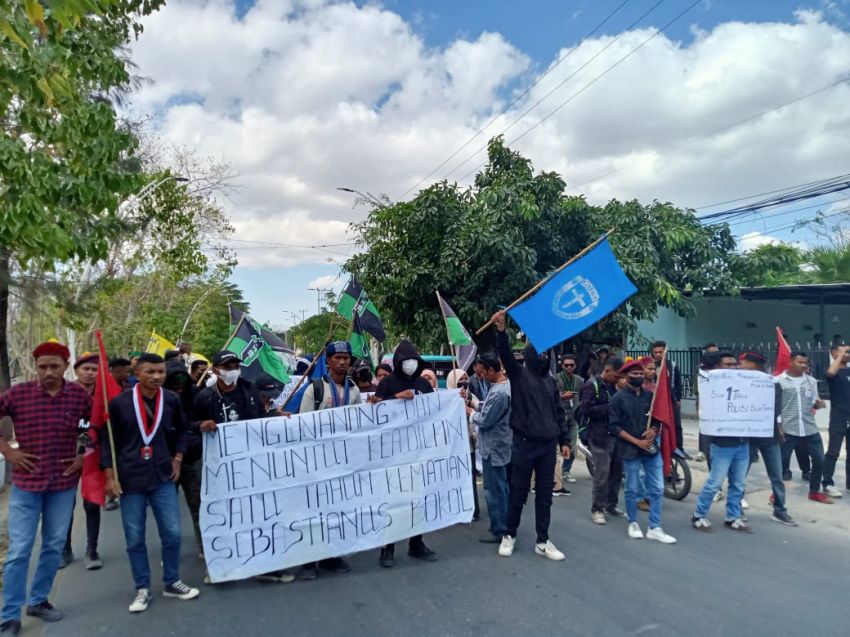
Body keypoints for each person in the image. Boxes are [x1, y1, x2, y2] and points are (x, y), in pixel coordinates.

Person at [0, 341, 90, 635]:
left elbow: (96, 428)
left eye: (54, 366)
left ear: (66, 366)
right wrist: (8, 452)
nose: (48, 372)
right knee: (19, 551)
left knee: (53, 546)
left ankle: (38, 600)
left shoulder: (78, 395)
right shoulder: (18, 394)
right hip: (27, 485)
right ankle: (9, 615)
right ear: (35, 367)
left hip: (63, 484)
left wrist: (83, 455)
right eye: (42, 367)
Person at [103, 353, 199, 613]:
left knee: (172, 533)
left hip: (162, 476)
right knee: (134, 537)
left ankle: (171, 581)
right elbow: (107, 441)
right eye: (150, 372)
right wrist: (110, 477)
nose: (156, 377)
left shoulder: (171, 400)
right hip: (130, 478)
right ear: (138, 372)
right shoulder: (120, 403)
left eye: (160, 372)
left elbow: (182, 430)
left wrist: (178, 458)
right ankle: (142, 587)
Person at [492, 311, 569, 561]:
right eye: (539, 353)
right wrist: (501, 331)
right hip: (524, 445)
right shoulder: (518, 375)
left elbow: (559, 412)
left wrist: (565, 441)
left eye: (546, 353)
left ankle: (543, 540)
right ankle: (509, 534)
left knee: (545, 496)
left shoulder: (550, 382)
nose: (543, 356)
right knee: (518, 492)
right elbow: (504, 354)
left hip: (547, 447)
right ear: (528, 356)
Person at [296, 341, 361, 580]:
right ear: (329, 361)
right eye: (338, 358)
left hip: (341, 461)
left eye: (347, 358)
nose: (343, 362)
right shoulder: (315, 389)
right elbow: (303, 424)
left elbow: (359, 424)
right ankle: (307, 560)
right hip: (316, 460)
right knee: (312, 510)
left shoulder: (353, 391)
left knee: (335, 510)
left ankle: (330, 555)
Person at [374, 340, 439, 567]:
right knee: (393, 501)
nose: (410, 365)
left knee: (419, 499)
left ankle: (416, 542)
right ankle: (388, 547)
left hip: (419, 453)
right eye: (405, 361)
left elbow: (435, 411)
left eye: (413, 361)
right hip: (394, 454)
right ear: (398, 362)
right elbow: (377, 413)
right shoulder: (387, 383)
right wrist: (395, 398)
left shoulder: (424, 384)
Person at [608, 360, 676, 544]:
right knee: (632, 488)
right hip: (630, 450)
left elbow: (657, 419)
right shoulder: (618, 399)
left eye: (640, 373)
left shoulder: (650, 397)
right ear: (626, 376)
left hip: (651, 450)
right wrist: (637, 441)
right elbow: (614, 427)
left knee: (658, 488)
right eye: (634, 374)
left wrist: (653, 430)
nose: (638, 376)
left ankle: (655, 526)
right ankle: (633, 522)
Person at [691, 351, 753, 532]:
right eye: (729, 364)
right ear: (717, 367)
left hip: (743, 443)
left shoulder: (746, 386)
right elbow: (702, 412)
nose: (734, 367)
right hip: (722, 445)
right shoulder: (710, 388)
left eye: (735, 364)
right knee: (714, 483)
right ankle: (698, 515)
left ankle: (732, 516)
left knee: (738, 484)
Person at [738, 352, 797, 526]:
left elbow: (776, 409)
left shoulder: (772, 383)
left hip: (769, 435)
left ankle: (780, 510)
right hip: (747, 434)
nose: (741, 366)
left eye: (744, 363)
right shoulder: (740, 383)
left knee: (776, 475)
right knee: (740, 474)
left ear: (754, 365)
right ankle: (736, 508)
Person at [62, 352, 105, 571]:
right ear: (76, 370)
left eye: (94, 370)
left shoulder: (103, 396)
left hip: (92, 455)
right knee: (65, 505)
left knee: (92, 503)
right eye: (85, 369)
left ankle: (92, 549)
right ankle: (65, 549)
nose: (89, 373)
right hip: (66, 457)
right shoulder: (65, 393)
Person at [776, 351, 832, 504]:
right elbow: (775, 406)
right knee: (780, 463)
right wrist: (778, 426)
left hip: (810, 429)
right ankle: (776, 494)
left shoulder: (811, 381)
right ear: (790, 361)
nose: (803, 365)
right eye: (800, 362)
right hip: (788, 429)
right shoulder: (778, 381)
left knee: (820, 461)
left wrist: (819, 404)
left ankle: (814, 492)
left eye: (805, 363)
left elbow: (815, 401)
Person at [469, 353, 512, 544]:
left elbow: (486, 419)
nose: (482, 376)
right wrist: (473, 402)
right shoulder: (502, 387)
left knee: (494, 490)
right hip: (498, 445)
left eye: (483, 372)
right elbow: (487, 407)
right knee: (500, 487)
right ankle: (504, 525)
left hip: (494, 448)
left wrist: (470, 413)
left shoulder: (500, 392)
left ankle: (500, 529)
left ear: (492, 370)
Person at [163, 362, 203, 556]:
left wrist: (197, 425)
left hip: (192, 458)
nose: (178, 389)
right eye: (173, 385)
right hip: (164, 462)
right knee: (167, 512)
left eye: (181, 384)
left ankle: (205, 548)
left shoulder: (196, 395)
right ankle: (170, 551)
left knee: (199, 507)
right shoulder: (159, 400)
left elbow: (199, 420)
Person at [579, 357, 624, 525]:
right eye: (616, 375)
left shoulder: (615, 387)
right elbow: (586, 409)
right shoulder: (592, 385)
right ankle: (597, 508)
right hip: (598, 436)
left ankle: (611, 504)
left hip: (615, 435)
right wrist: (609, 406)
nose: (618, 379)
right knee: (602, 474)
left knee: (617, 472)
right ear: (608, 370)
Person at [448, 369, 480, 522]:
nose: (464, 384)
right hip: (452, 447)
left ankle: (473, 509)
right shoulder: (445, 398)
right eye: (460, 381)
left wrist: (467, 403)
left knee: (470, 478)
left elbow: (479, 408)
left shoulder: (470, 396)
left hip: (469, 445)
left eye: (466, 380)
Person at [650, 341, 688, 460]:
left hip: (671, 400)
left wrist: (678, 399)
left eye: (660, 352)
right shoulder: (651, 366)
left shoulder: (673, 364)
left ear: (665, 352)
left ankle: (679, 449)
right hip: (655, 401)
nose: (657, 355)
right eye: (655, 352)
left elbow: (678, 382)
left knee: (676, 425)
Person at [823, 344, 850, 498]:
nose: (848, 354)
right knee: (833, 452)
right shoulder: (833, 371)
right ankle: (827, 483)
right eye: (845, 352)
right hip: (838, 417)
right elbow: (831, 372)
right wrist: (840, 354)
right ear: (834, 353)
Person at [555, 354, 582, 486]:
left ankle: (566, 470)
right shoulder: (556, 378)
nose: (569, 367)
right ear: (562, 366)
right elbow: (551, 396)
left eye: (572, 365)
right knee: (555, 447)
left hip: (573, 416)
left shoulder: (579, 380)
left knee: (572, 446)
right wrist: (562, 397)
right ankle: (553, 473)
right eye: (566, 365)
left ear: (575, 366)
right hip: (559, 416)